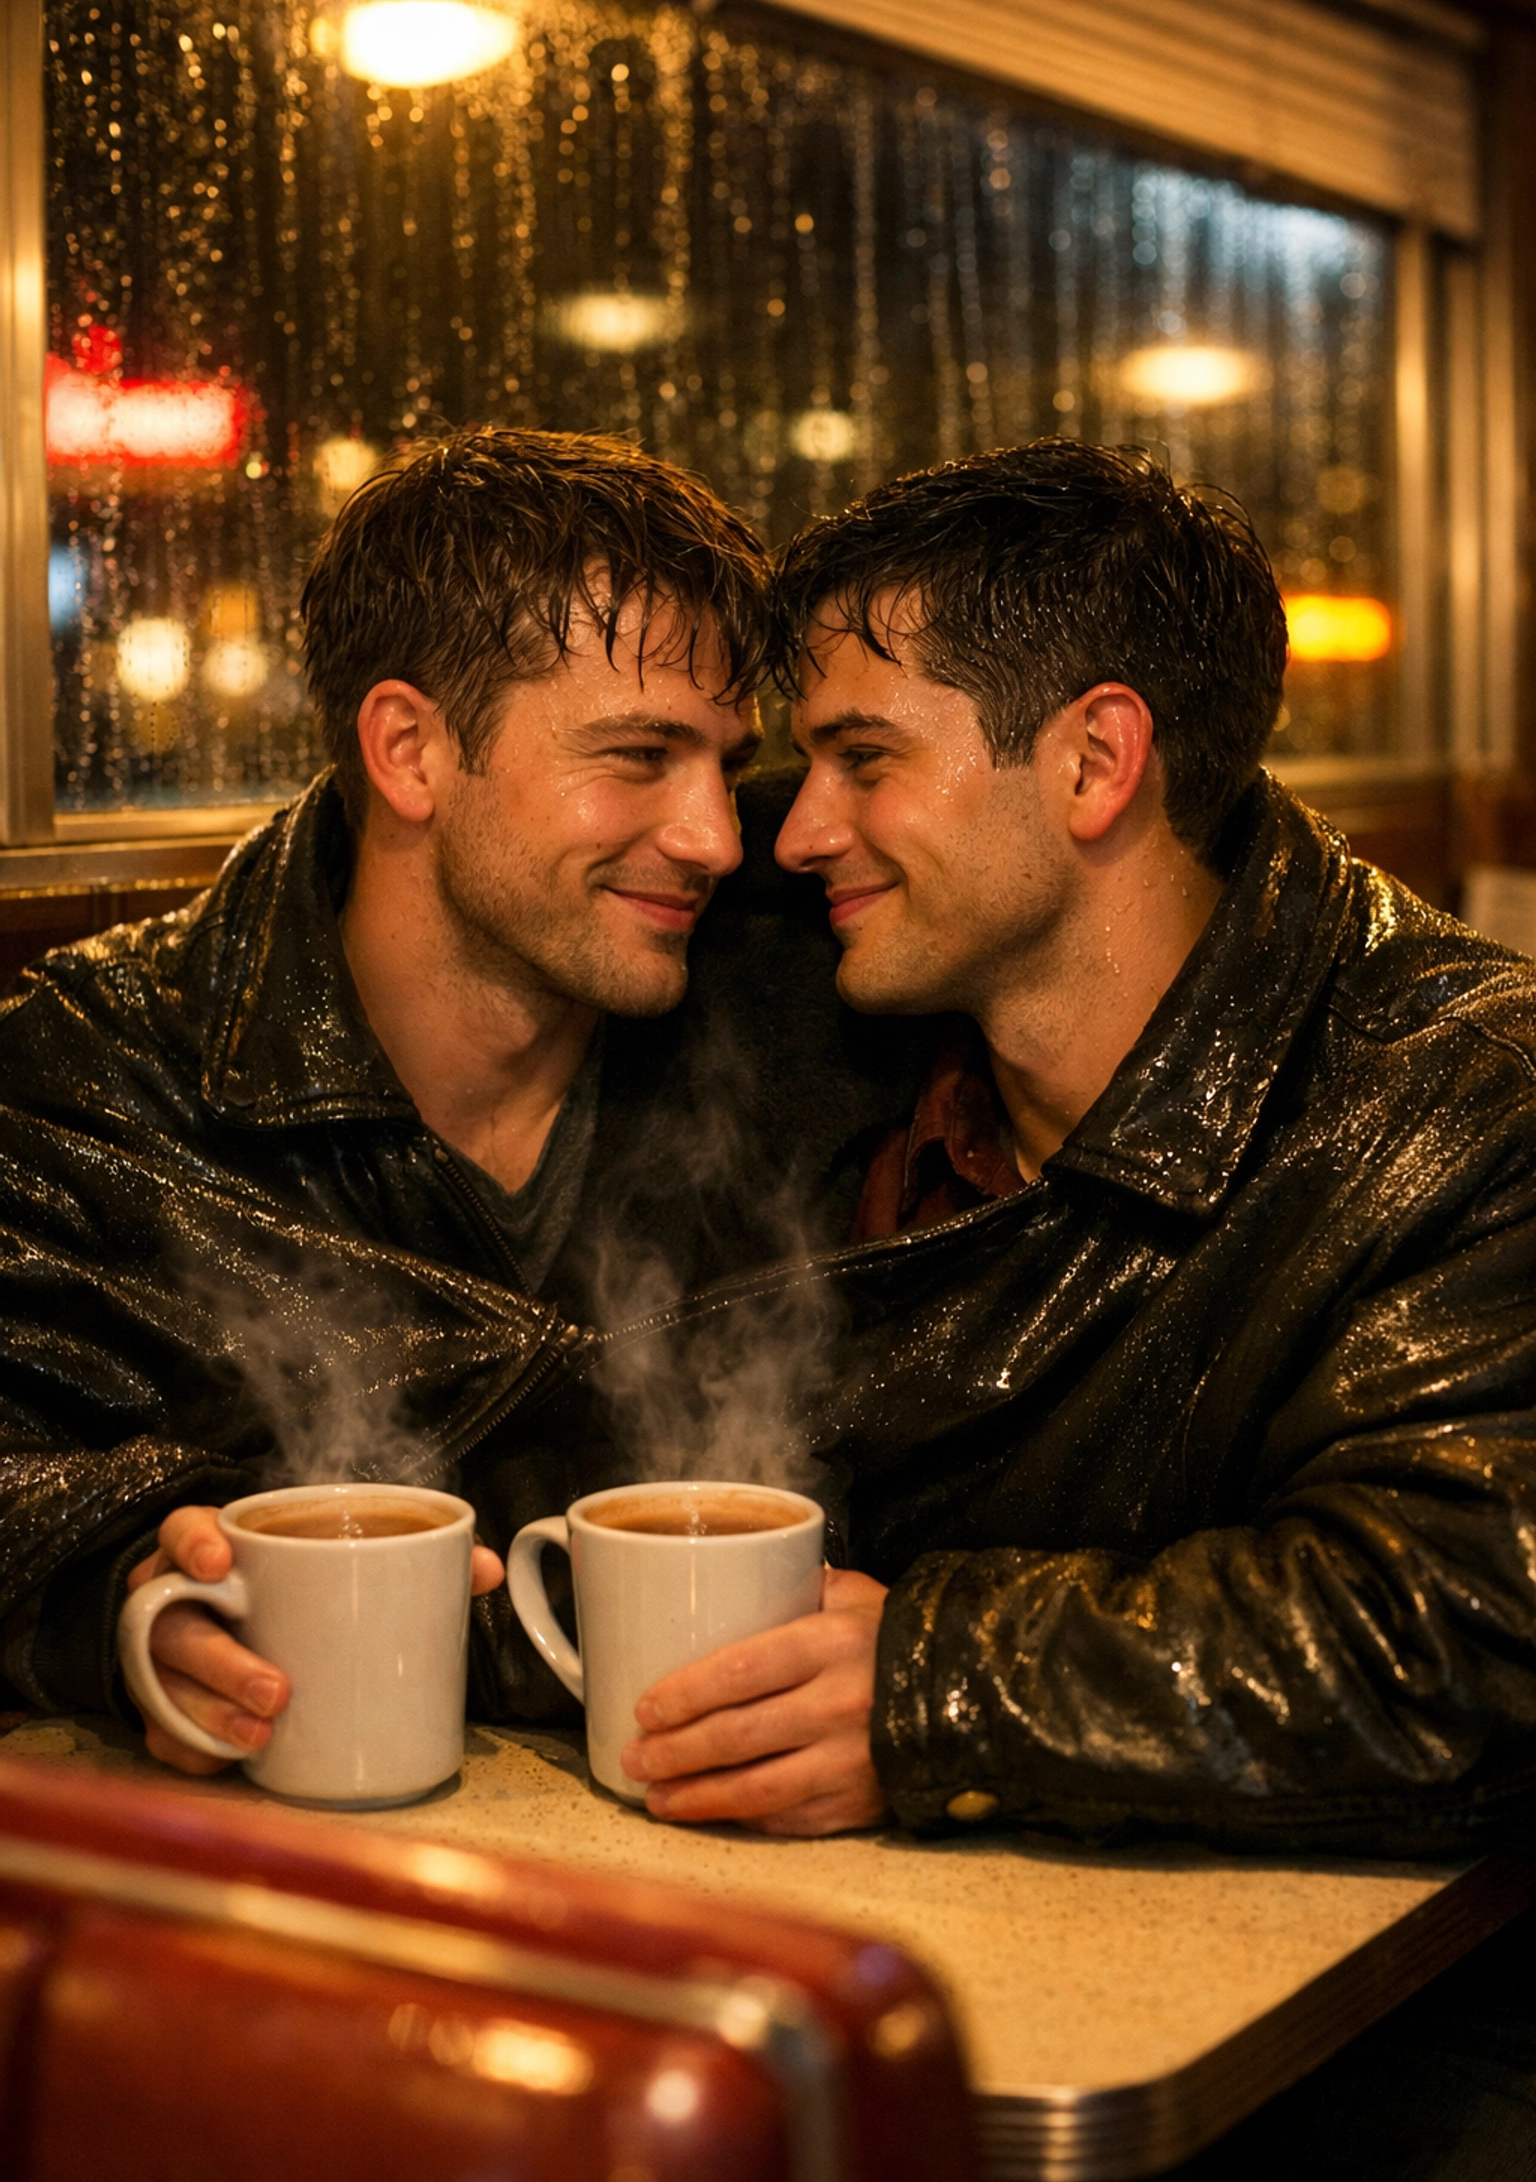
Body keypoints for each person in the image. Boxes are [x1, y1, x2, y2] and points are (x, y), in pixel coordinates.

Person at [593, 440, 1536, 1858]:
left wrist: (936, 1689)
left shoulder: (1462, 1100)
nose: (796, 835)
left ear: (1097, 761)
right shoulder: (781, 1016)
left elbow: (1467, 1624)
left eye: (863, 760)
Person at [0, 428, 920, 1773]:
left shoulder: (805, 1008)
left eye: (725, 762)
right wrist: (119, 1603)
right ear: (409, 750)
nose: (720, 836)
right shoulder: (105, 1067)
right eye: (642, 755)